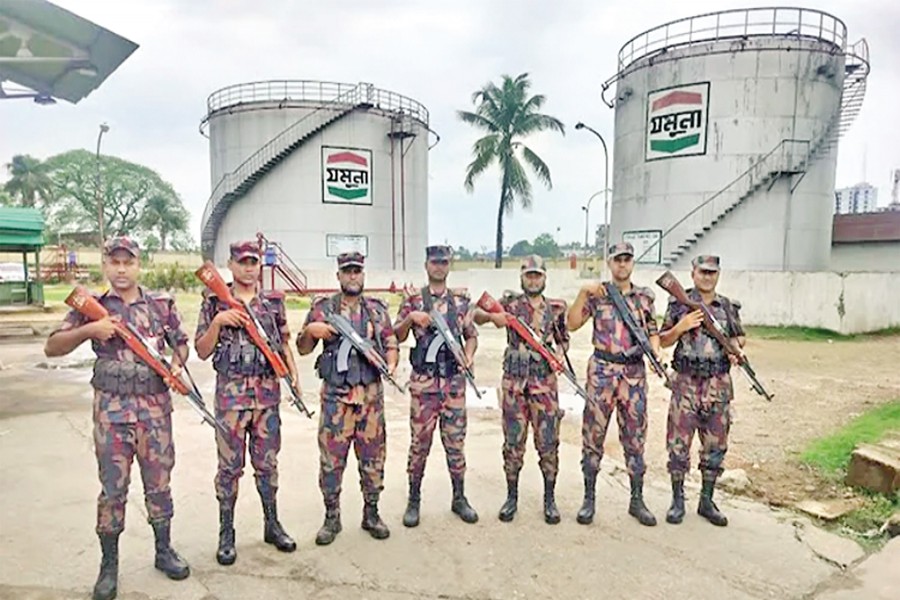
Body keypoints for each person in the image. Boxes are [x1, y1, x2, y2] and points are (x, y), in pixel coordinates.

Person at [44, 236, 190, 600]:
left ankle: (163, 551)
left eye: (128, 262)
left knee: (159, 484)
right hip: (112, 413)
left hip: (155, 412)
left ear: (139, 265)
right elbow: (52, 346)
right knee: (113, 490)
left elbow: (181, 343)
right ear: (105, 266)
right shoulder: (91, 305)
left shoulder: (160, 304)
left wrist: (175, 366)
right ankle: (109, 567)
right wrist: (90, 330)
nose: (121, 269)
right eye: (114, 262)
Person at [194, 240, 298, 565]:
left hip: (267, 399)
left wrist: (294, 377)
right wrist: (217, 323)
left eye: (254, 262)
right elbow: (201, 350)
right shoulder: (214, 301)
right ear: (231, 264)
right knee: (229, 469)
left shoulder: (273, 302)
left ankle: (272, 524)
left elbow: (283, 343)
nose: (249, 267)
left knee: (267, 465)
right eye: (242, 262)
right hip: (231, 400)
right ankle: (227, 533)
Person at [296, 251, 398, 545]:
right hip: (336, 400)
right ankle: (332, 517)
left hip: (370, 399)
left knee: (373, 459)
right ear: (338, 275)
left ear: (363, 275)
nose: (353, 276)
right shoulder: (323, 308)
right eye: (347, 271)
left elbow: (391, 344)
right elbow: (303, 348)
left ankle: (372, 513)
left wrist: (390, 364)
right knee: (331, 461)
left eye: (357, 271)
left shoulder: (377, 310)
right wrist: (310, 331)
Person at [566, 242, 660, 527]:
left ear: (632, 263)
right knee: (593, 435)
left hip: (633, 374)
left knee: (635, 437)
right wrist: (583, 293)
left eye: (627, 260)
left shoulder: (644, 297)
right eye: (618, 260)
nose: (622, 265)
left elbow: (652, 331)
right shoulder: (598, 295)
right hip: (602, 372)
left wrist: (656, 351)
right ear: (610, 263)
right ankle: (589, 499)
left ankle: (636, 500)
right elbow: (571, 324)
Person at [474, 254, 568, 524]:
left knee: (548, 442)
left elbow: (564, 340)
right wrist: (494, 318)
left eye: (538, 275)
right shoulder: (509, 304)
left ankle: (549, 500)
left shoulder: (556, 308)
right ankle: (511, 497)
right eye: (529, 275)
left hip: (544, 385)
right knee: (513, 443)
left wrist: (559, 354)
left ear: (545, 278)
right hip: (514, 385)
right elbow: (476, 315)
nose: (533, 279)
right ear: (522, 277)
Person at [393, 245, 479, 528]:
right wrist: (410, 318)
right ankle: (413, 500)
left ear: (449, 265)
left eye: (444, 262)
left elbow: (471, 336)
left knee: (456, 443)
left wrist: (468, 356)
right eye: (434, 262)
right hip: (424, 385)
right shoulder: (414, 301)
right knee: (420, 445)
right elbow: (395, 335)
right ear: (426, 265)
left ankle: (459, 497)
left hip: (453, 384)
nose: (439, 267)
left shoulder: (460, 303)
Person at [659, 255, 745, 527]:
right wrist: (681, 326)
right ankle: (677, 500)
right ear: (693, 273)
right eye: (703, 272)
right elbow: (662, 340)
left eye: (712, 273)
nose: (707, 277)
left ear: (718, 275)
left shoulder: (728, 307)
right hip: (685, 384)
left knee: (715, 445)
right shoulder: (678, 304)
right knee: (678, 444)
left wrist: (736, 349)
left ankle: (706, 501)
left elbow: (739, 336)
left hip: (718, 386)